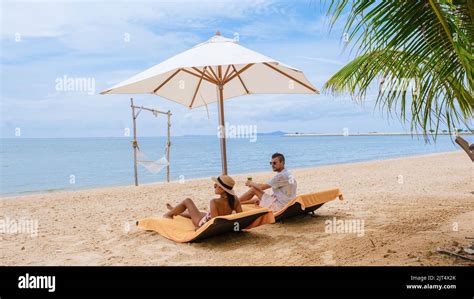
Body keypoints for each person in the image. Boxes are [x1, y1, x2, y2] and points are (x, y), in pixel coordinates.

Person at [164, 174, 243, 229]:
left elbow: (214, 223)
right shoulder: (235, 199)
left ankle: (168, 214)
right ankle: (174, 209)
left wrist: (199, 229)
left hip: (203, 223)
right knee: (191, 213)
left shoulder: (214, 202)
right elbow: (241, 217)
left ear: (222, 189)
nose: (214, 186)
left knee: (187, 201)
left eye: (216, 185)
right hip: (210, 217)